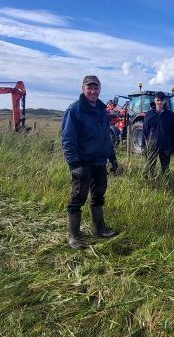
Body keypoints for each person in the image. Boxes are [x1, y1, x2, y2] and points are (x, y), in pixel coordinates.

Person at [61, 75, 119, 249]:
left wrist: (113, 157)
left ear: (100, 89)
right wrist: (74, 165)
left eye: (96, 88)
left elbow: (106, 137)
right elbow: (68, 140)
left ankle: (100, 228)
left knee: (99, 195)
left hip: (99, 162)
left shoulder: (102, 110)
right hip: (82, 162)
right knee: (78, 197)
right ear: (83, 88)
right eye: (90, 88)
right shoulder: (74, 110)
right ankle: (73, 236)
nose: (93, 91)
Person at [142, 91, 174, 179]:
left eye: (161, 100)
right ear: (154, 100)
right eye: (158, 100)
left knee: (165, 168)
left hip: (166, 146)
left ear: (164, 101)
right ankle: (148, 183)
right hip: (152, 145)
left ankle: (165, 185)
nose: (159, 102)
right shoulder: (149, 114)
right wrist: (144, 146)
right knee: (150, 166)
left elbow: (173, 131)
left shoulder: (170, 114)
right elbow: (145, 131)